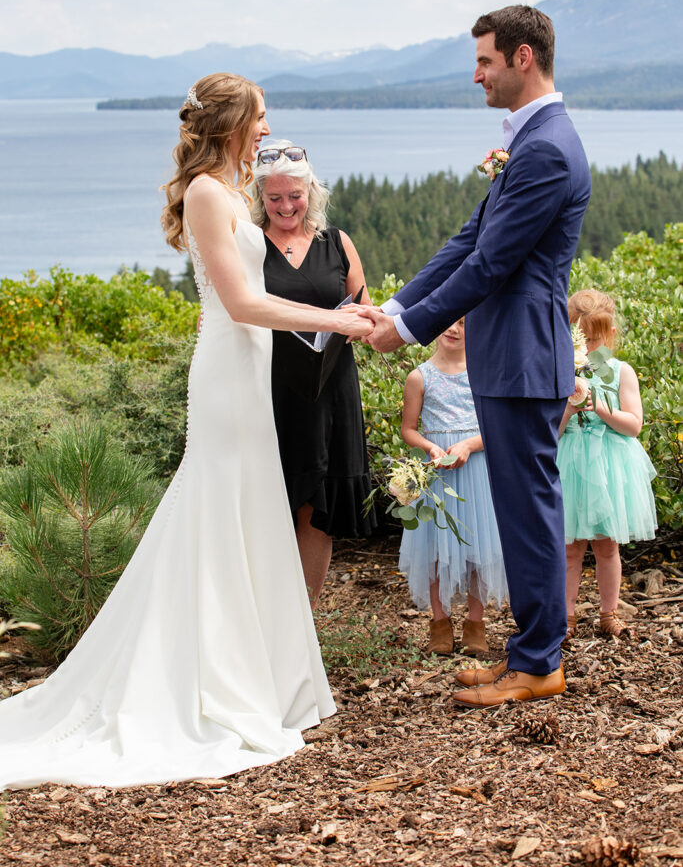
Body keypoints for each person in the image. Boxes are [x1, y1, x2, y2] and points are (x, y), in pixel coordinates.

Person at [0, 73, 371, 789]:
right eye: (258, 119)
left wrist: (351, 311)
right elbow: (239, 302)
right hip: (229, 376)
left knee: (245, 512)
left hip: (248, 374)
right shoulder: (207, 191)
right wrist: (336, 320)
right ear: (232, 122)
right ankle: (205, 675)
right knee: (216, 507)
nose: (265, 130)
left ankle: (256, 672)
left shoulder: (231, 195)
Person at [360, 5, 592, 707]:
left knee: (529, 515)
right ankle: (526, 654)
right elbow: (466, 242)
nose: (476, 74)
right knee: (522, 511)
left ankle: (537, 665)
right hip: (509, 356)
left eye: (485, 61)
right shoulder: (531, 141)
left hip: (524, 358)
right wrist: (396, 308)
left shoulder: (547, 148)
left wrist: (405, 334)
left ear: (523, 58)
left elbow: (491, 264)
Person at [252, 141, 376, 607]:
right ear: (260, 197)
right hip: (270, 388)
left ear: (312, 193)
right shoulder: (248, 245)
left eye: (295, 196)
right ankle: (265, 612)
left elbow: (363, 310)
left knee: (317, 504)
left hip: (330, 387)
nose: (286, 206)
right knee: (269, 498)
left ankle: (304, 613)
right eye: (275, 198)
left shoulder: (337, 243)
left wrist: (372, 321)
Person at [398, 319, 507, 656]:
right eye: (450, 321)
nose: (455, 329)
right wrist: (430, 447)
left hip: (475, 469)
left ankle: (475, 624)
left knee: (478, 547)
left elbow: (496, 425)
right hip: (437, 474)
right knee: (432, 549)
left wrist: (469, 446)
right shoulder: (419, 377)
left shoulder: (483, 373)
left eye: (464, 323)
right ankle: (440, 622)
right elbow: (408, 429)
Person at [558, 289, 657, 642]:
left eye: (594, 338)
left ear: (611, 335)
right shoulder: (558, 371)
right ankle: (565, 616)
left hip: (609, 466)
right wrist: (570, 406)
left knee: (607, 545)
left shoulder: (620, 372)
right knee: (570, 548)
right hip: (569, 463)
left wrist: (598, 405)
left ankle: (608, 613)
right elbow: (548, 432)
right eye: (578, 338)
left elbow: (633, 425)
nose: (586, 347)